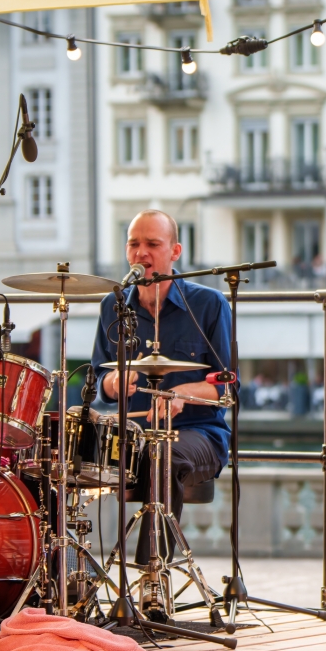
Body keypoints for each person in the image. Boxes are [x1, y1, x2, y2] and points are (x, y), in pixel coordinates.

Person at [90, 210, 231, 574]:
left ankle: (150, 578)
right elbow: (97, 384)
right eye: (134, 244)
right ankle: (67, 580)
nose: (142, 253)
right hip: (130, 435)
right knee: (55, 459)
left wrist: (184, 393)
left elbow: (229, 386)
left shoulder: (208, 304)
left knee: (161, 454)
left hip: (199, 434)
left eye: (153, 244)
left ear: (175, 251)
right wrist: (112, 383)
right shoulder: (114, 305)